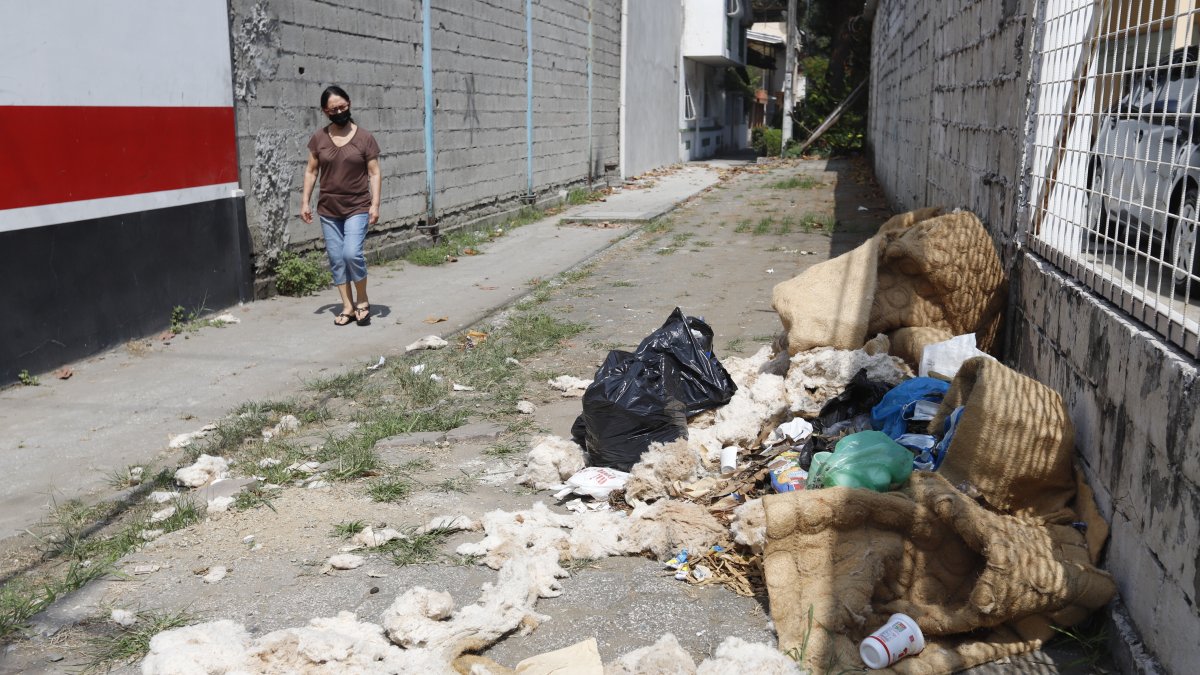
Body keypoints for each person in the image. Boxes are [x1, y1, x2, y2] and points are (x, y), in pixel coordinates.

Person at [300, 85, 381, 326]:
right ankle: (347, 306)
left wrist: (375, 204)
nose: (339, 112)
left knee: (351, 253)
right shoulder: (319, 138)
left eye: (343, 107)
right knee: (336, 258)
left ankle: (363, 299)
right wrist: (305, 201)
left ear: (350, 104)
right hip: (329, 209)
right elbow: (311, 171)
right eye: (333, 109)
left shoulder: (365, 138)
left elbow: (374, 173)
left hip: (357, 206)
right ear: (325, 111)